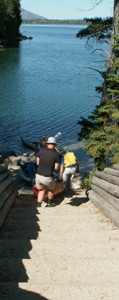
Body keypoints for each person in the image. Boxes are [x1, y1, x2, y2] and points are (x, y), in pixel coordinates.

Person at [35, 136, 60, 207]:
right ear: (55, 145)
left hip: (38, 175)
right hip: (48, 176)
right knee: (51, 189)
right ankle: (49, 203)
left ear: (47, 144)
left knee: (41, 190)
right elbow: (56, 167)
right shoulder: (56, 154)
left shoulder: (41, 150)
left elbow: (37, 163)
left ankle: (39, 205)